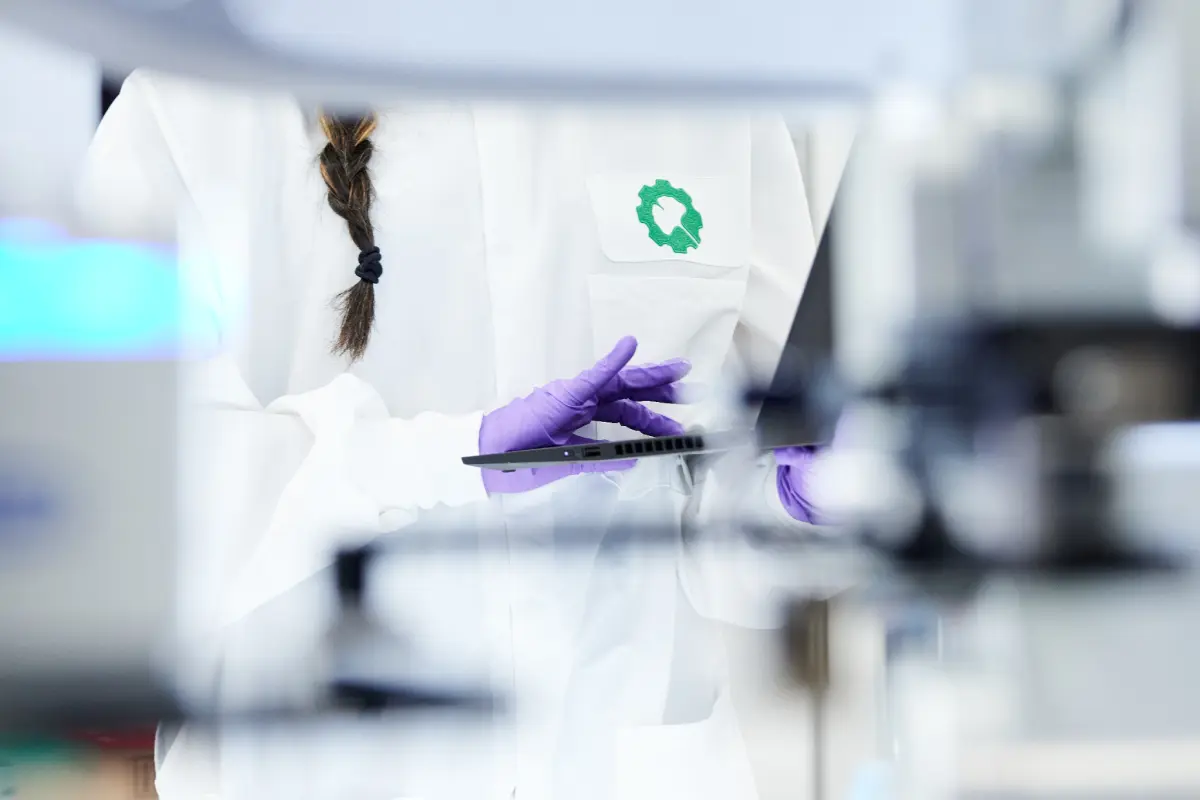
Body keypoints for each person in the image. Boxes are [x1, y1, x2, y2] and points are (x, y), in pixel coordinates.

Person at [78, 69, 827, 800]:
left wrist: (807, 503)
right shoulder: (196, 105)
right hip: (316, 769)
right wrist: (441, 461)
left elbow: (745, 471)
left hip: (628, 767)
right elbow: (129, 489)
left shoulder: (712, 92)